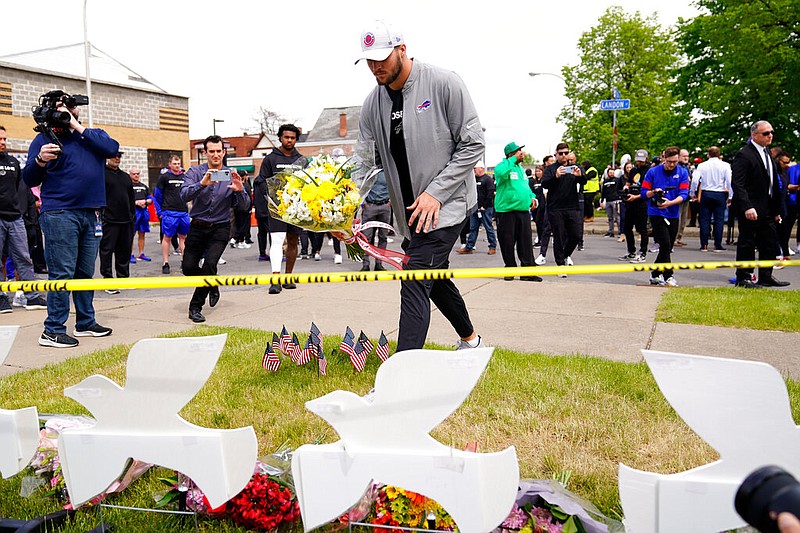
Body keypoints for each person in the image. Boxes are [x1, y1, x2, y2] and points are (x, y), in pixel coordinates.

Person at [356, 19, 484, 351]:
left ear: (402, 49)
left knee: (414, 279)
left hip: (448, 205)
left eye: (382, 58)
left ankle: (401, 375)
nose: (375, 67)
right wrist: (344, 212)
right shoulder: (372, 104)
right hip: (410, 215)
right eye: (369, 60)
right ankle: (471, 341)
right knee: (435, 276)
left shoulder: (444, 83)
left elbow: (473, 145)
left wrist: (435, 194)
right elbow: (365, 162)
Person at [22, 90, 119, 348]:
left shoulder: (92, 135)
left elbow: (112, 149)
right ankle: (52, 329)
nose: (66, 110)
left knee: (85, 272)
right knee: (62, 273)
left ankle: (85, 322)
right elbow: (29, 179)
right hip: (60, 213)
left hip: (92, 213)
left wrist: (76, 126)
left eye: (70, 106)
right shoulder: (43, 139)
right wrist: (40, 160)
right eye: (60, 107)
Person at [180, 135, 250, 322]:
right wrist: (202, 184)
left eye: (219, 151)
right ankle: (213, 283)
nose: (216, 155)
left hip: (220, 227)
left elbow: (244, 207)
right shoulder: (195, 172)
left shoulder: (231, 174)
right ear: (205, 153)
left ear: (224, 152)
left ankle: (195, 306)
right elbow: (183, 195)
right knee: (187, 268)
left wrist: (240, 190)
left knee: (210, 263)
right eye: (212, 151)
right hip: (197, 226)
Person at [730, 121, 790, 288]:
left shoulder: (767, 153)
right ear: (755, 135)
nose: (770, 135)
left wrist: (776, 209)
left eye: (771, 132)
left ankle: (766, 275)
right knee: (747, 243)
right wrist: (747, 206)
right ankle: (744, 278)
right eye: (765, 133)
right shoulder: (744, 154)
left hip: (768, 208)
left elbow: (772, 183)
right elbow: (738, 183)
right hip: (751, 208)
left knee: (769, 243)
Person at [0, 126, 47, 313]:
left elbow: (22, 188)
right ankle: (2, 297)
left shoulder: (12, 162)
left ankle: (32, 295)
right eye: (0, 139)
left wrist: (22, 211)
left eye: (4, 139)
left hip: (15, 217)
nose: (3, 142)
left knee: (24, 257)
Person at [257, 124, 306, 294]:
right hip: (276, 208)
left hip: (296, 209)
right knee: (277, 241)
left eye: (292, 138)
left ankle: (288, 278)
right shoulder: (270, 159)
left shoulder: (302, 160)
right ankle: (275, 280)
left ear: (296, 140)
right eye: (286, 137)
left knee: (293, 241)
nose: (289, 140)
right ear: (280, 138)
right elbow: (261, 181)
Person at [641, 146, 690, 287]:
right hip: (656, 212)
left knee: (667, 247)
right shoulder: (653, 172)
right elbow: (643, 192)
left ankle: (655, 274)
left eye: (675, 161)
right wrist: (654, 192)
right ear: (664, 158)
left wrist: (671, 203)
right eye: (669, 161)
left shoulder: (682, 172)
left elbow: (684, 194)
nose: (672, 165)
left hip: (673, 212)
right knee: (665, 243)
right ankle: (668, 275)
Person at [493, 142, 541, 282]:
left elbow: (525, 188)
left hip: (523, 211)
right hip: (506, 211)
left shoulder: (520, 169)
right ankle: (510, 268)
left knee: (525, 242)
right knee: (507, 242)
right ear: (511, 154)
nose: (522, 153)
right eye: (519, 151)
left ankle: (528, 272)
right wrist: (512, 160)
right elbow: (501, 173)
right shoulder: (502, 166)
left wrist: (532, 197)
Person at [541, 143, 586, 274]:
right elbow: (544, 183)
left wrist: (580, 176)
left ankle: (565, 255)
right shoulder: (551, 168)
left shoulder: (575, 167)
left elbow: (584, 181)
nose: (564, 156)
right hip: (556, 208)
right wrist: (556, 176)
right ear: (556, 154)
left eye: (566, 153)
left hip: (572, 206)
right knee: (559, 237)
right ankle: (560, 264)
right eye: (561, 154)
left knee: (576, 235)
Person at [99, 151, 135, 293]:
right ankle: (108, 281)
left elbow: (131, 198)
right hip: (109, 220)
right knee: (107, 251)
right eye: (114, 156)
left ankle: (123, 278)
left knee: (124, 251)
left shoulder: (125, 177)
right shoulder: (102, 175)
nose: (117, 158)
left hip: (126, 220)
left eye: (119, 156)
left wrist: (132, 216)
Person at [690, 146, 732, 252]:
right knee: (719, 220)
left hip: (706, 192)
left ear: (708, 154)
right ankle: (717, 245)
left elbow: (695, 180)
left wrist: (692, 193)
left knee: (704, 219)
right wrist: (731, 195)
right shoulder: (725, 165)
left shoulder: (702, 165)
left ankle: (704, 244)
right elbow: (729, 181)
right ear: (719, 154)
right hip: (720, 193)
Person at [154, 155, 189, 275]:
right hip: (169, 212)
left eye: (178, 163)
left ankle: (185, 262)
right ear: (170, 164)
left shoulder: (185, 177)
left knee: (183, 237)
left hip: (183, 212)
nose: (177, 165)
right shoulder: (164, 177)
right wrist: (160, 212)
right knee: (167, 237)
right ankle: (166, 263)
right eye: (174, 163)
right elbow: (157, 196)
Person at [457, 161, 497, 255]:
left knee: (488, 227)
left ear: (481, 168)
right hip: (475, 208)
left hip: (485, 208)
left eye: (475, 168)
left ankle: (492, 246)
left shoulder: (487, 179)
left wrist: (485, 206)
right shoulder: (473, 179)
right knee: (473, 228)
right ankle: (469, 247)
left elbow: (490, 193)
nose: (474, 170)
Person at [618, 150, 650, 263]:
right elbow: (629, 182)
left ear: (646, 159)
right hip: (631, 202)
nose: (639, 163)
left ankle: (642, 253)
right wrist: (626, 188)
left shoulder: (649, 170)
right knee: (627, 228)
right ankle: (631, 251)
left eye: (641, 161)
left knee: (642, 229)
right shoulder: (634, 170)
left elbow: (649, 189)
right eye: (638, 160)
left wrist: (636, 196)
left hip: (642, 202)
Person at [360, 169, 392, 271]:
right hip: (370, 206)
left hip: (384, 205)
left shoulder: (388, 171)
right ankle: (365, 264)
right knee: (366, 238)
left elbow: (393, 186)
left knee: (383, 237)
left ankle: (379, 263)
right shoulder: (368, 172)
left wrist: (390, 201)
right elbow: (360, 187)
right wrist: (363, 203)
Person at [129, 166, 153, 263]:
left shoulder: (144, 186)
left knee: (142, 233)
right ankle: (130, 254)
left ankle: (141, 253)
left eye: (138, 173)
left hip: (143, 212)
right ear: (130, 175)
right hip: (133, 212)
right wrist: (136, 202)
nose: (136, 176)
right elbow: (125, 199)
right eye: (134, 174)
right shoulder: (128, 186)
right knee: (131, 234)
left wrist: (145, 202)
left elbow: (150, 199)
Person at [530, 164, 551, 265]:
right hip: (536, 205)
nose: (538, 173)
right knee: (537, 222)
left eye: (539, 171)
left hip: (544, 205)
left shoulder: (544, 181)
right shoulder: (534, 182)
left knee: (544, 224)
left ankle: (543, 242)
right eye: (536, 171)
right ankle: (539, 238)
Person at [674, 148, 693, 247]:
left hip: (687, 196)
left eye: (687, 156)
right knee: (678, 217)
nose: (686, 158)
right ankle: (674, 238)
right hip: (679, 196)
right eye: (684, 156)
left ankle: (679, 237)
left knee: (684, 219)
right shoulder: (677, 168)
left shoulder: (687, 168)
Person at [232, 169, 253, 248]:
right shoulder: (245, 185)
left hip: (237, 207)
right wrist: (250, 206)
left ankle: (234, 239)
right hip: (244, 208)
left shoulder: (236, 184)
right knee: (243, 225)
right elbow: (249, 198)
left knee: (237, 224)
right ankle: (241, 241)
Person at [599, 166, 622, 238]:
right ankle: (611, 231)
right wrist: (602, 199)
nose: (611, 174)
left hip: (615, 200)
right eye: (610, 172)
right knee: (610, 217)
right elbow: (603, 191)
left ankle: (620, 232)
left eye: (613, 172)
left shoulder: (617, 180)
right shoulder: (605, 181)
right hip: (608, 200)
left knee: (617, 217)